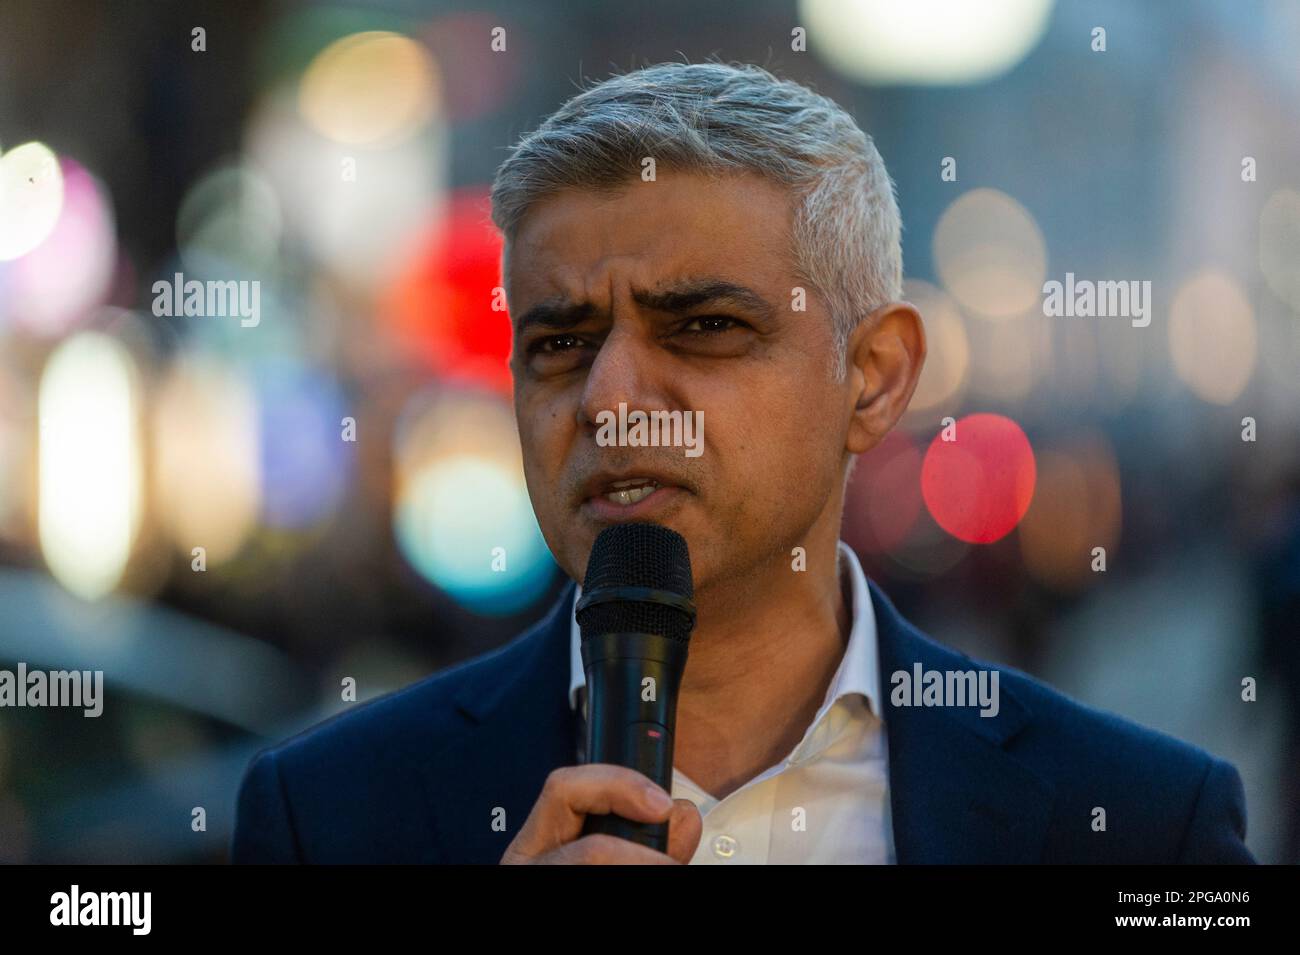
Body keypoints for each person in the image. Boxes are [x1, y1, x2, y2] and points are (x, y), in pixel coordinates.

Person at [232, 61, 1254, 864]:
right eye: (559, 342)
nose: (611, 400)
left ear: (874, 378)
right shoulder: (328, 813)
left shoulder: (1134, 818)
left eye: (705, 326)